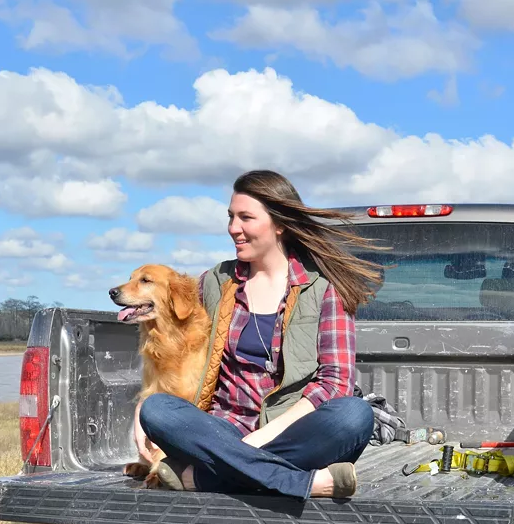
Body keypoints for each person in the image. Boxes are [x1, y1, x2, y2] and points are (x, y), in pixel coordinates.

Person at [134, 170, 382, 499]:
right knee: (158, 411)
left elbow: (335, 383)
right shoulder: (214, 282)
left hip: (292, 430)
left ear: (279, 224)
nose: (233, 228)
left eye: (246, 218)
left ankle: (204, 479)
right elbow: (177, 341)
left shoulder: (324, 288)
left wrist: (254, 444)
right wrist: (142, 409)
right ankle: (304, 482)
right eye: (231, 217)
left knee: (354, 415)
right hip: (222, 428)